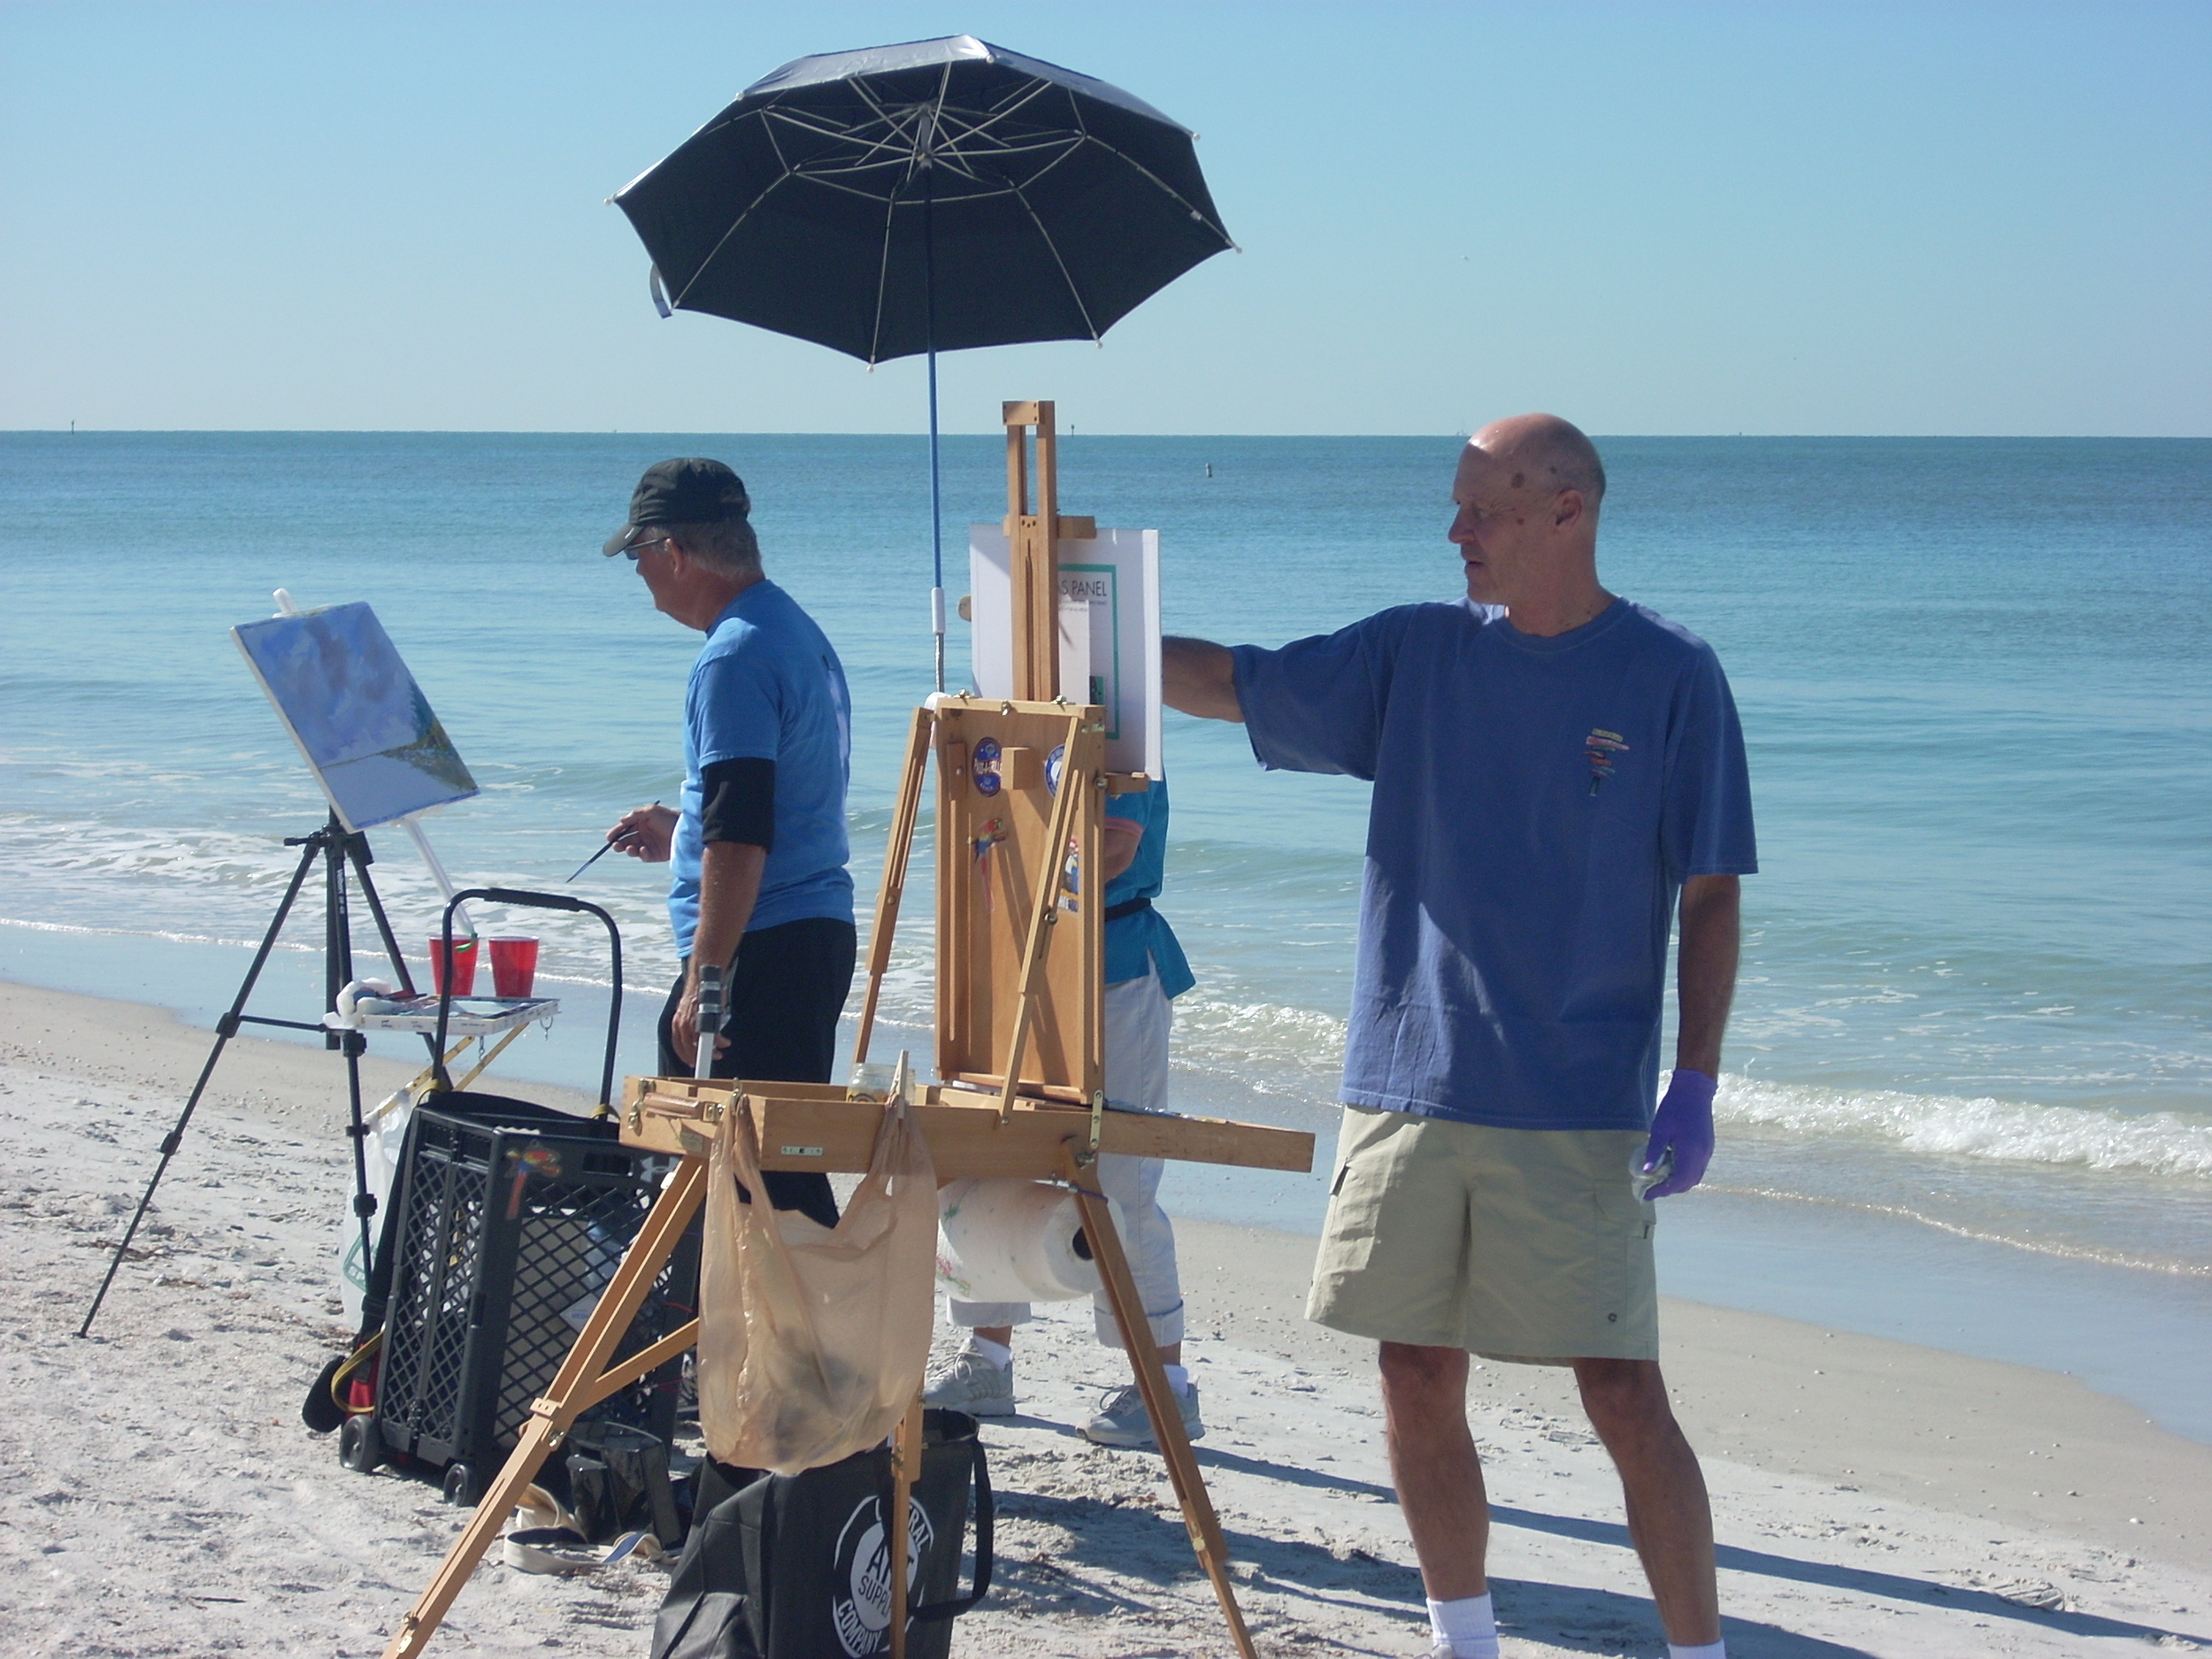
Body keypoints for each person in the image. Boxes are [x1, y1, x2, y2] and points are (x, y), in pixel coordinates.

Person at [1160, 415, 1754, 1659]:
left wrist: (1694, 1079)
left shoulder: (1671, 675)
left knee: (1624, 1393)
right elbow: (1234, 681)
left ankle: (1698, 1649)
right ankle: (1462, 1638)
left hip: (1580, 1095)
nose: (1456, 531)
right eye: (1458, 505)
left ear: (1566, 512)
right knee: (1413, 1375)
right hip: (1408, 1084)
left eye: (1482, 507)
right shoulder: (1420, 652)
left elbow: (1710, 891)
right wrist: (1080, 637)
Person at [599, 457, 855, 1231]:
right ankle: (779, 1348)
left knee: (757, 1191)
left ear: (674, 550)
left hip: (762, 948)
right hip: (802, 933)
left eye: (639, 555)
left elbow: (743, 832)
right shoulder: (789, 625)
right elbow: (780, 808)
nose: (640, 575)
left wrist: (705, 978)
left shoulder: (733, 655)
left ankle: (818, 1349)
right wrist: (682, 836)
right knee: (767, 1179)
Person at [921, 774, 1203, 1448]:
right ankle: (987, 1362)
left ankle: (1168, 1386)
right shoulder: (1015, 704)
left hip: (1114, 965)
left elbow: (1114, 846)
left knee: (1121, 1183)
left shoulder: (1124, 708)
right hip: (1020, 957)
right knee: (984, 1153)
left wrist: (1016, 872)